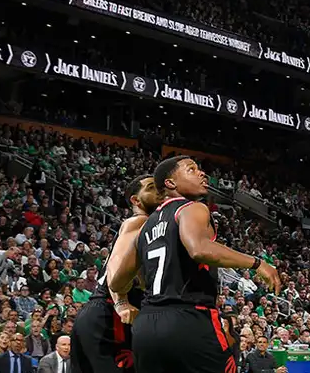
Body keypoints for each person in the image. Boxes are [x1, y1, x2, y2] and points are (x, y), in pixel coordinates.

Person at [108, 156, 280, 373]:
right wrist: (257, 264)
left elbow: (116, 281)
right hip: (190, 319)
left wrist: (124, 300)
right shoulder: (191, 208)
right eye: (192, 169)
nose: (202, 174)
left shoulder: (144, 227)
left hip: (147, 326)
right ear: (170, 183)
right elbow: (199, 249)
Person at [71, 175, 160, 373]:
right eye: (152, 187)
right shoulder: (140, 222)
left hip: (99, 314)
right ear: (136, 200)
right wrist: (121, 302)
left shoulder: (154, 228)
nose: (160, 191)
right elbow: (114, 267)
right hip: (110, 313)